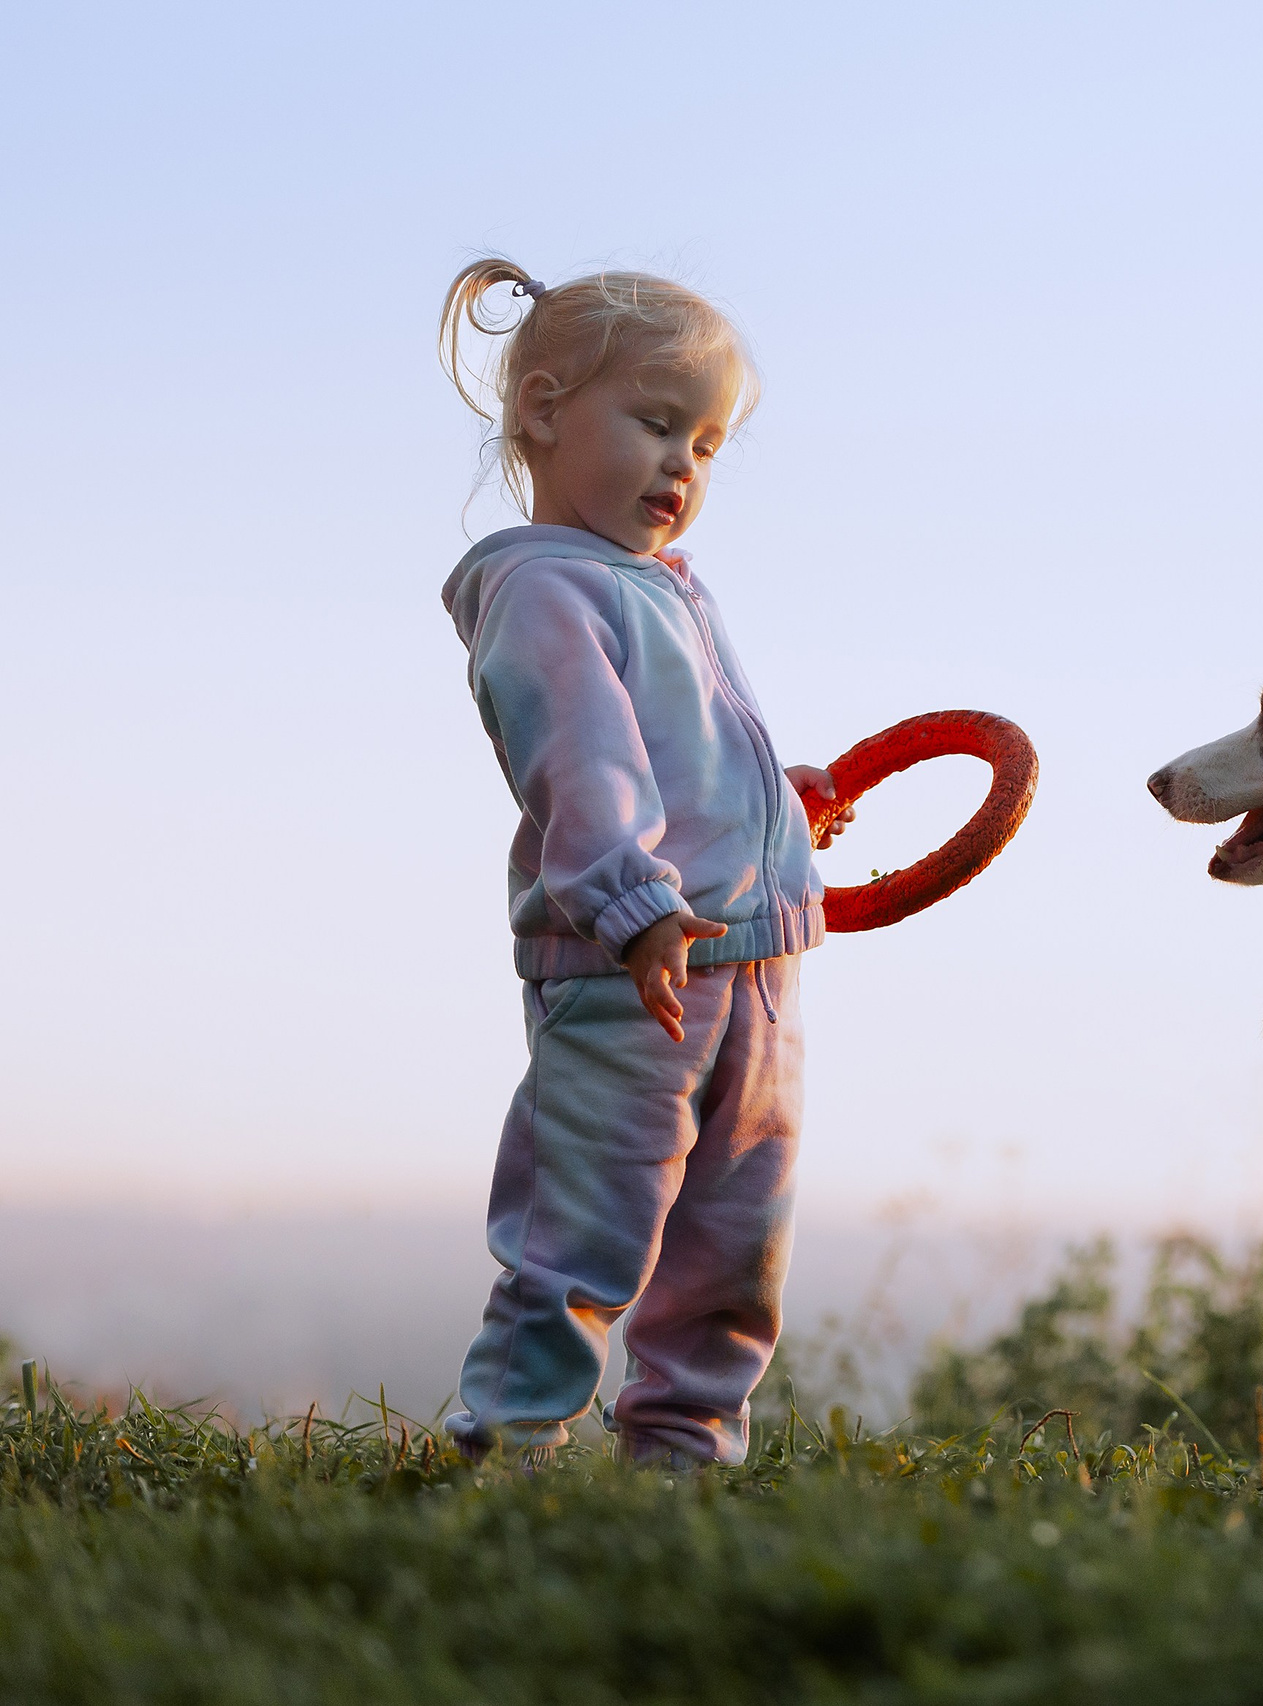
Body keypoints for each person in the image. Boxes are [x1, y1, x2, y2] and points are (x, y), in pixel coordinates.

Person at [434, 258, 842, 1466]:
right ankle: (506, 1448)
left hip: (755, 975)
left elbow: (691, 751)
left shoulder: (663, 587)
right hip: (635, 972)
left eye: (708, 444)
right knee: (585, 1233)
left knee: (732, 1241)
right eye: (657, 424)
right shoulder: (544, 587)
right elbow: (584, 761)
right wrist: (630, 900)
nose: (683, 466)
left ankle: (683, 1453)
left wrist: (785, 803)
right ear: (545, 410)